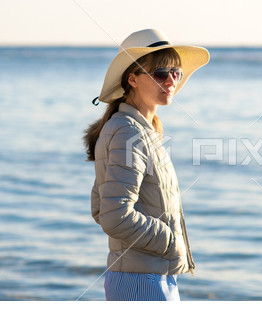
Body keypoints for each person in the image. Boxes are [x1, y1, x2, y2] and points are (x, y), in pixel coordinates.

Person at [83, 29, 209, 301]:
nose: (172, 80)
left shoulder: (140, 130)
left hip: (149, 277)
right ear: (133, 79)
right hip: (143, 281)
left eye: (176, 73)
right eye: (162, 72)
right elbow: (113, 215)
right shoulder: (128, 132)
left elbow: (99, 206)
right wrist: (169, 241)